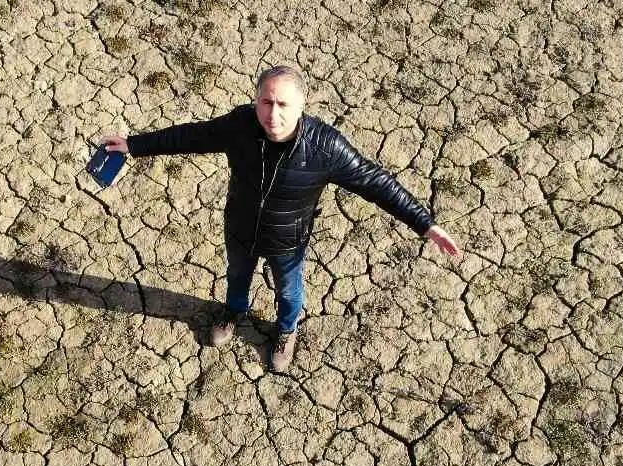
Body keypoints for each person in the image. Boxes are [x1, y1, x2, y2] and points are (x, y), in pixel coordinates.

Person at [99, 65, 460, 372]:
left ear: (302, 106)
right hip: (240, 229)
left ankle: (286, 329)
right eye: (266, 102)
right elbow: (191, 135)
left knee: (289, 290)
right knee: (237, 275)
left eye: (283, 104)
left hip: (287, 241)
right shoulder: (240, 125)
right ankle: (233, 312)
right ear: (256, 101)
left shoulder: (325, 148)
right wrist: (135, 144)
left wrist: (424, 223)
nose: (273, 114)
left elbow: (374, 181)